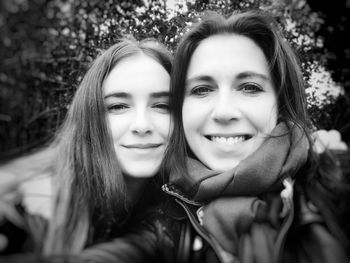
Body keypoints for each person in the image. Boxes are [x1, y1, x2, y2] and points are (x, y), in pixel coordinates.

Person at [161, 10, 350, 263]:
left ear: (280, 103)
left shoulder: (335, 187)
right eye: (202, 89)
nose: (224, 112)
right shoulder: (157, 220)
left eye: (250, 87)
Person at [0, 36, 174, 259]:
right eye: (118, 106)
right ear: (91, 117)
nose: (142, 125)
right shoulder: (22, 209)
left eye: (162, 106)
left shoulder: (183, 197)